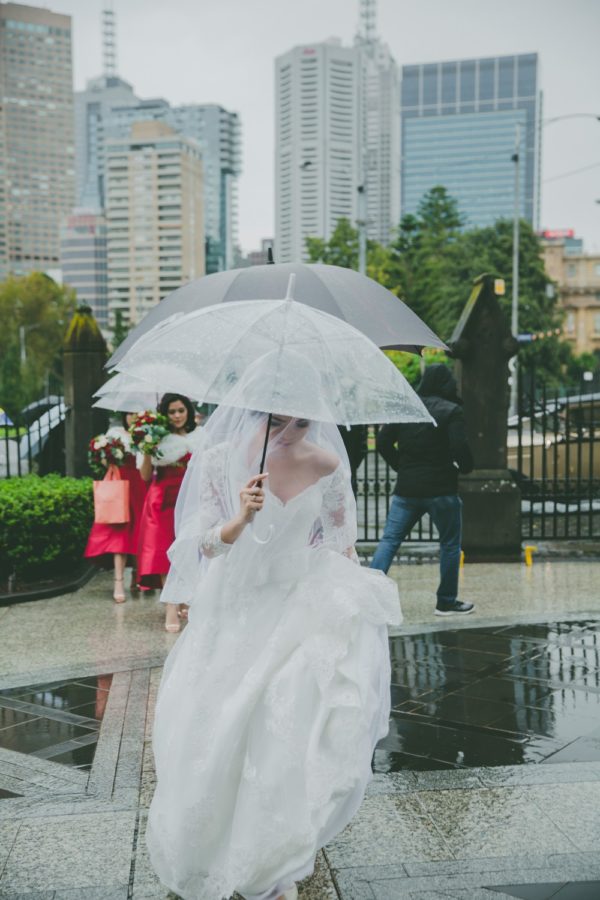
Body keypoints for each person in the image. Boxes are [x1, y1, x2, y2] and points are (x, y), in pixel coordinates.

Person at [146, 376, 401, 900]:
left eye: (302, 422)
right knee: (215, 725)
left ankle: (272, 859)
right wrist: (240, 517)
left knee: (283, 724)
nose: (287, 432)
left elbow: (337, 543)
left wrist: (347, 598)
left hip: (295, 604)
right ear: (254, 413)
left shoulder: (327, 464)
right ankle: (210, 843)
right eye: (276, 420)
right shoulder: (218, 460)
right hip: (232, 607)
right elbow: (200, 546)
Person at [370, 364, 475, 616]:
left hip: (407, 488)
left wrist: (401, 465)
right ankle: (446, 602)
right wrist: (466, 467)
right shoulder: (451, 411)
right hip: (442, 489)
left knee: (390, 540)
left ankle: (369, 594)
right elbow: (460, 447)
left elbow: (383, 442)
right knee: (449, 545)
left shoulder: (408, 407)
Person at [137, 393, 200, 632]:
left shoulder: (200, 437)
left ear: (188, 412)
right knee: (164, 552)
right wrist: (146, 449)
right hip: (162, 501)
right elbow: (144, 476)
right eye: (172, 412)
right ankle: (171, 607)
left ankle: (187, 598)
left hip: (191, 501)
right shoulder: (155, 438)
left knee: (189, 549)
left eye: (181, 410)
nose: (176, 416)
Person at [84, 412, 148, 602]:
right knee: (119, 534)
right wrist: (105, 453)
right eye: (130, 414)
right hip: (119, 485)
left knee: (140, 532)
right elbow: (103, 462)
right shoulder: (115, 433)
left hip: (140, 485)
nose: (133, 417)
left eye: (137, 413)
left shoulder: (146, 435)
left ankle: (138, 576)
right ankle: (118, 582)